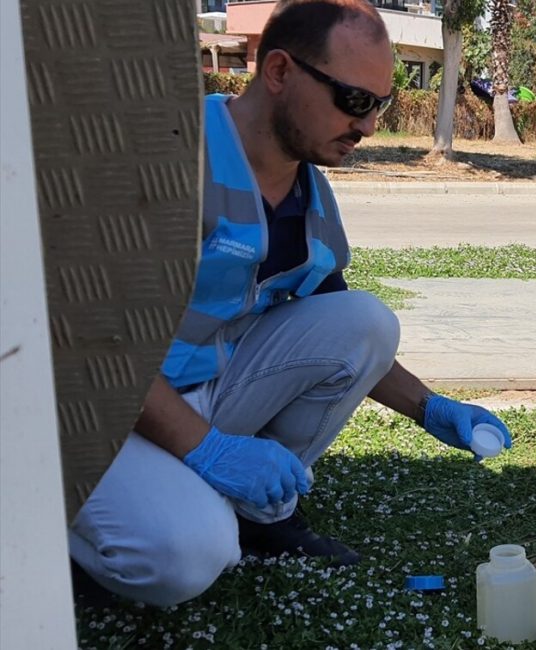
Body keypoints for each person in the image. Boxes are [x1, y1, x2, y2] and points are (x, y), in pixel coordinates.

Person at [68, 0, 512, 607]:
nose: (370, 127)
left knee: (366, 322)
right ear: (278, 72)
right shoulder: (164, 160)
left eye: (380, 105)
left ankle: (254, 513)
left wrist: (431, 408)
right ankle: (65, 522)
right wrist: (208, 449)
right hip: (102, 409)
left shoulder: (310, 192)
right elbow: (88, 344)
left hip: (205, 392)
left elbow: (336, 321)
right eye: (356, 101)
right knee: (181, 558)